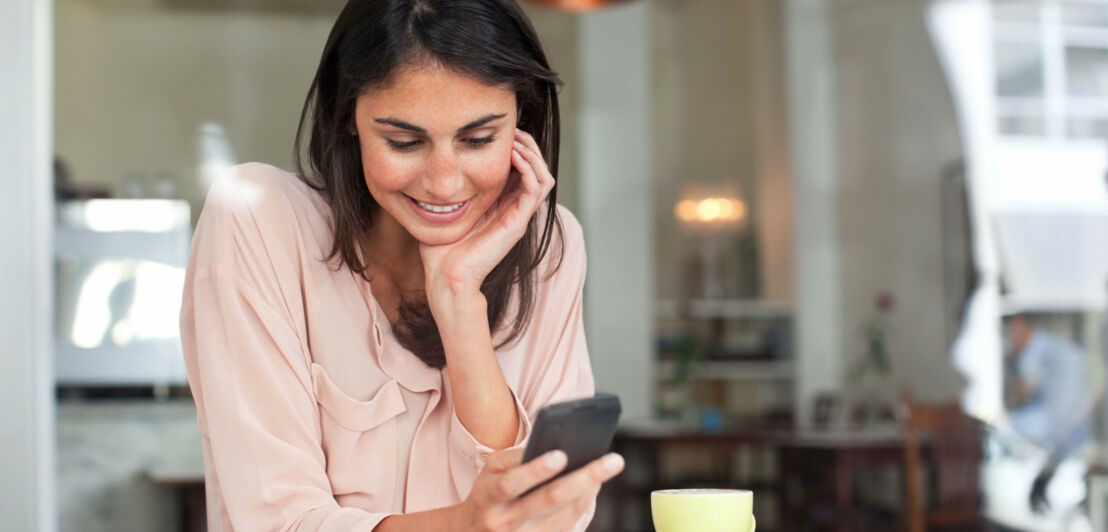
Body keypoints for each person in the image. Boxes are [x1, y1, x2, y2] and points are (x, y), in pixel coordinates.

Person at [178, 1, 624, 530]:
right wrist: (463, 524)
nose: (443, 182)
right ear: (348, 116)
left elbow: (546, 515)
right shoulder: (258, 219)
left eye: (479, 139)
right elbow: (277, 520)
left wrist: (459, 296)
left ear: (521, 125)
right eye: (404, 142)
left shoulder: (550, 247)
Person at [1004, 313, 1101, 513]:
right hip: (1076, 429)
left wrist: (1011, 406)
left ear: (1019, 324)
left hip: (1070, 427)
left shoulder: (1038, 350)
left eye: (1010, 335)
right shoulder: (1052, 348)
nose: (1010, 341)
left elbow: (1024, 392)